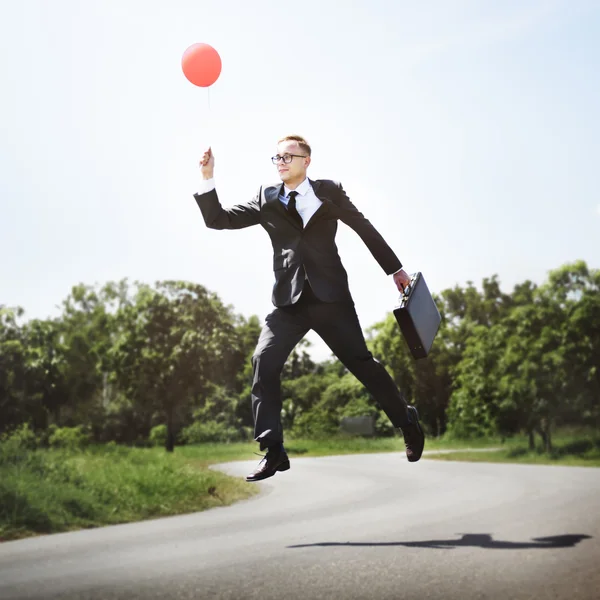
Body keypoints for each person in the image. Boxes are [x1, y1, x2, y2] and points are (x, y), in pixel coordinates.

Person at [194, 135, 424, 482]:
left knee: (363, 365)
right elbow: (219, 219)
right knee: (263, 360)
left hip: (331, 299)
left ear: (307, 161)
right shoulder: (266, 197)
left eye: (289, 156)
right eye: (277, 157)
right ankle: (273, 450)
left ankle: (407, 421)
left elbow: (364, 228)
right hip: (289, 302)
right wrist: (208, 177)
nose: (281, 161)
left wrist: (395, 270)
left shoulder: (329, 191)